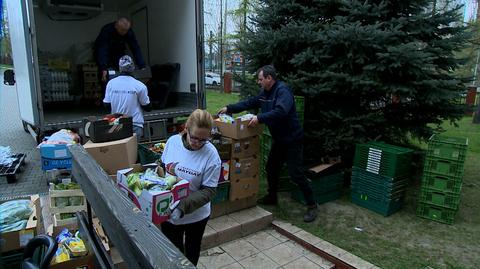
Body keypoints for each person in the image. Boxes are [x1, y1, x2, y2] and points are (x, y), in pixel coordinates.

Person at [218, 65, 317, 222]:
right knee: (271, 167)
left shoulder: (283, 91)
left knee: (295, 173)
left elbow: (281, 111)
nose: (259, 82)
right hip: (279, 140)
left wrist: (259, 118)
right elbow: (250, 102)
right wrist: (229, 108)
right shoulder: (265, 93)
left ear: (269, 78)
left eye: (260, 79)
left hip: (292, 140)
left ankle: (312, 205)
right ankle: (272, 197)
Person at [160, 109, 221, 266]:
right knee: (173, 251)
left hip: (196, 215)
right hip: (168, 210)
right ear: (186, 128)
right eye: (194, 137)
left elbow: (209, 190)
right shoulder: (173, 142)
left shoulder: (211, 156)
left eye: (203, 140)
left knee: (192, 251)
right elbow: (163, 166)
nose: (197, 143)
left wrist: (182, 207)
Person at [103, 55, 151, 137]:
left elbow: (106, 105)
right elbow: (147, 107)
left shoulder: (111, 83)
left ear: (119, 67)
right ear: (133, 68)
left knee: (118, 149)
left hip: (116, 124)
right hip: (135, 125)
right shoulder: (140, 86)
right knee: (132, 149)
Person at [94, 17, 146, 82]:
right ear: (116, 26)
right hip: (105, 53)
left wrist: (142, 66)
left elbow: (135, 47)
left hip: (118, 51)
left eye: (126, 30)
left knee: (123, 71)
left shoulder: (128, 31)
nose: (124, 32)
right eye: (122, 30)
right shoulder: (106, 30)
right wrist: (103, 68)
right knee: (105, 75)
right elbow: (102, 50)